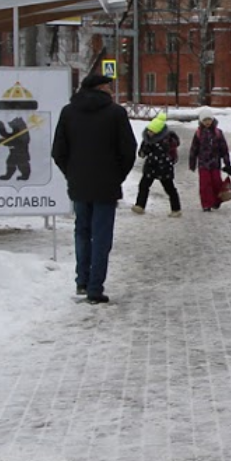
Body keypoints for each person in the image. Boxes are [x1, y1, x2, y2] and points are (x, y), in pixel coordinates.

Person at [50, 73, 136, 304]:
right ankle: (95, 288)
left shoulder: (68, 112)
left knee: (82, 232)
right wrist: (117, 176)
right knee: (101, 237)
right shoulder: (115, 113)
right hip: (106, 186)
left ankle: (82, 281)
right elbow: (128, 150)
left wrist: (72, 174)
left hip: (79, 184)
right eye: (108, 85)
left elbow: (58, 151)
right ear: (100, 87)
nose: (111, 89)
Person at [132, 112, 182, 216]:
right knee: (143, 186)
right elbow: (143, 150)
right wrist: (142, 152)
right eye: (149, 130)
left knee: (169, 188)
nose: (150, 133)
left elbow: (172, 146)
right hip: (150, 167)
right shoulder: (148, 139)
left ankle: (176, 209)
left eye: (152, 131)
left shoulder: (166, 140)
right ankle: (140, 206)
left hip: (164, 168)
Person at [188, 114, 231, 211]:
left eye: (209, 119)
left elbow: (224, 149)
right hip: (203, 164)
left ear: (212, 120)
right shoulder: (198, 133)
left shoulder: (218, 133)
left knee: (216, 182)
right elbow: (194, 149)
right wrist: (192, 163)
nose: (207, 122)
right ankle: (206, 204)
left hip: (215, 163)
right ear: (201, 121)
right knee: (205, 184)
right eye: (205, 120)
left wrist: (227, 163)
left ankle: (216, 201)